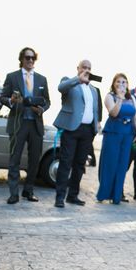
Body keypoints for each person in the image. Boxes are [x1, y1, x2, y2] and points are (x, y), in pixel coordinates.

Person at [0, 47, 50, 203]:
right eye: (27, 58)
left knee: (35, 160)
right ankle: (13, 193)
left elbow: (47, 101)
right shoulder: (12, 77)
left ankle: (28, 190)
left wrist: (41, 109)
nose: (30, 61)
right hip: (18, 123)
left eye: (33, 58)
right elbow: (2, 97)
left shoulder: (42, 79)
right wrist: (11, 101)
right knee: (14, 159)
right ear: (21, 59)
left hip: (35, 124)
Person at [53, 60, 101, 208]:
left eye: (89, 68)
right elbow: (61, 88)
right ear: (78, 69)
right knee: (66, 162)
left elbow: (95, 109)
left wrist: (97, 123)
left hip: (87, 131)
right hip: (71, 129)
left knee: (80, 165)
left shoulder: (93, 89)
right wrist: (78, 79)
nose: (86, 70)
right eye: (84, 68)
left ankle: (73, 195)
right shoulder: (69, 82)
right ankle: (60, 197)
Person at [96, 74, 136, 204]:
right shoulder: (109, 96)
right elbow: (114, 113)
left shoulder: (132, 97)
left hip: (127, 135)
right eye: (118, 82)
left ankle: (116, 196)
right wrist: (120, 100)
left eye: (124, 82)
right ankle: (104, 194)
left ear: (127, 84)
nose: (121, 84)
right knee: (110, 163)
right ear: (114, 83)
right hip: (113, 132)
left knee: (122, 165)